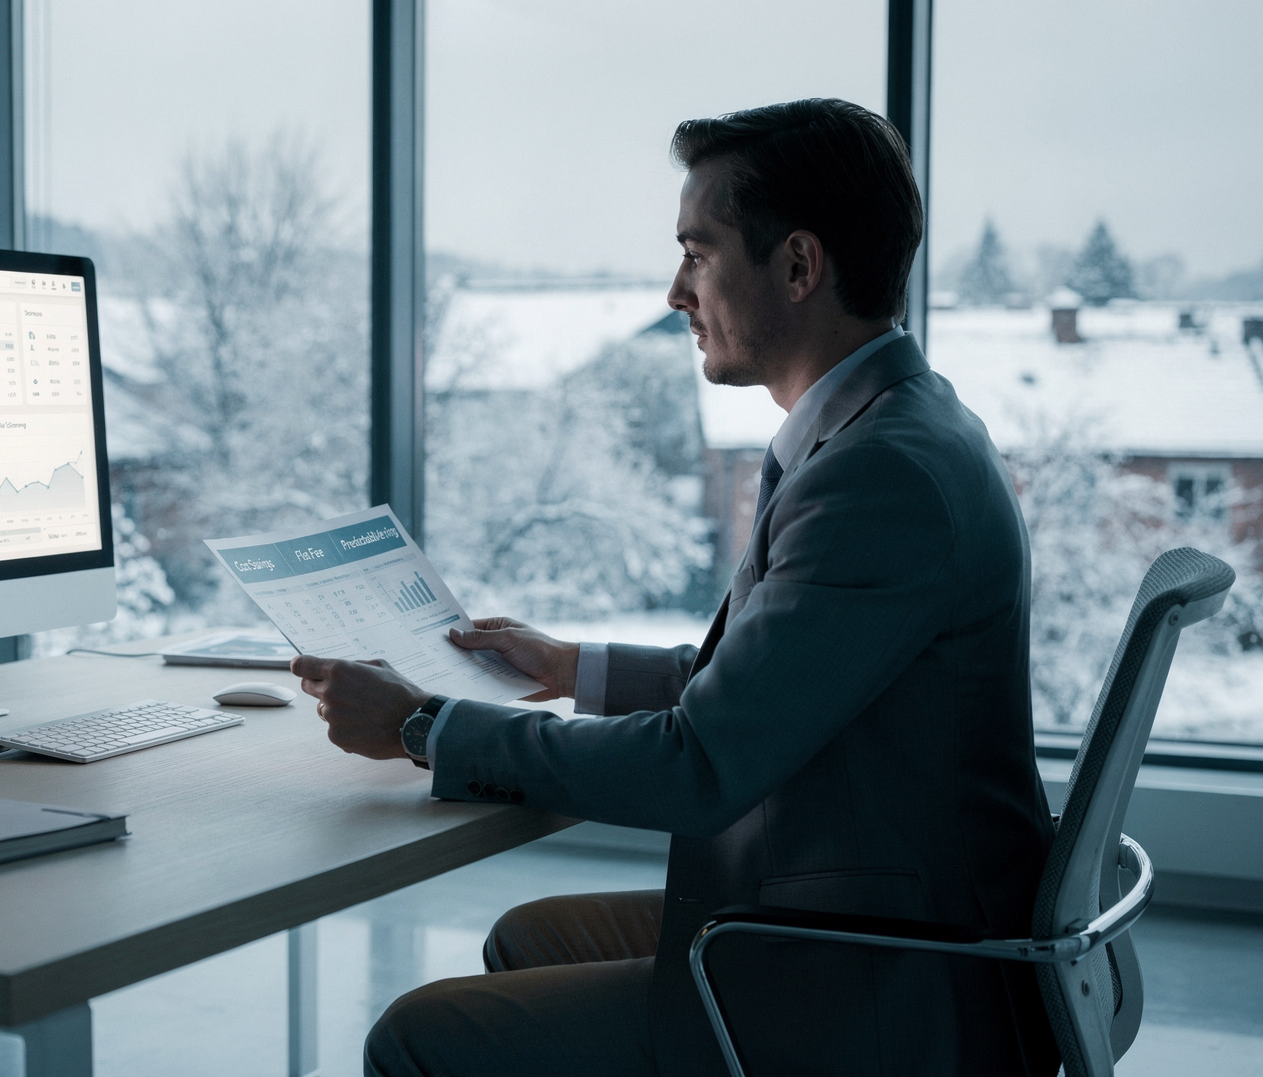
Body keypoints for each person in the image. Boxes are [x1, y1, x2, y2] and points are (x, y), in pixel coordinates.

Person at [291, 98, 1060, 1077]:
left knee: (417, 1040)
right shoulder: (897, 426)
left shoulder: (880, 477)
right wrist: (571, 666)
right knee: (529, 937)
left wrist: (422, 725)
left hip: (886, 979)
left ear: (798, 266)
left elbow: (700, 766)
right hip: (875, 913)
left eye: (698, 254)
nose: (675, 292)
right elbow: (779, 688)